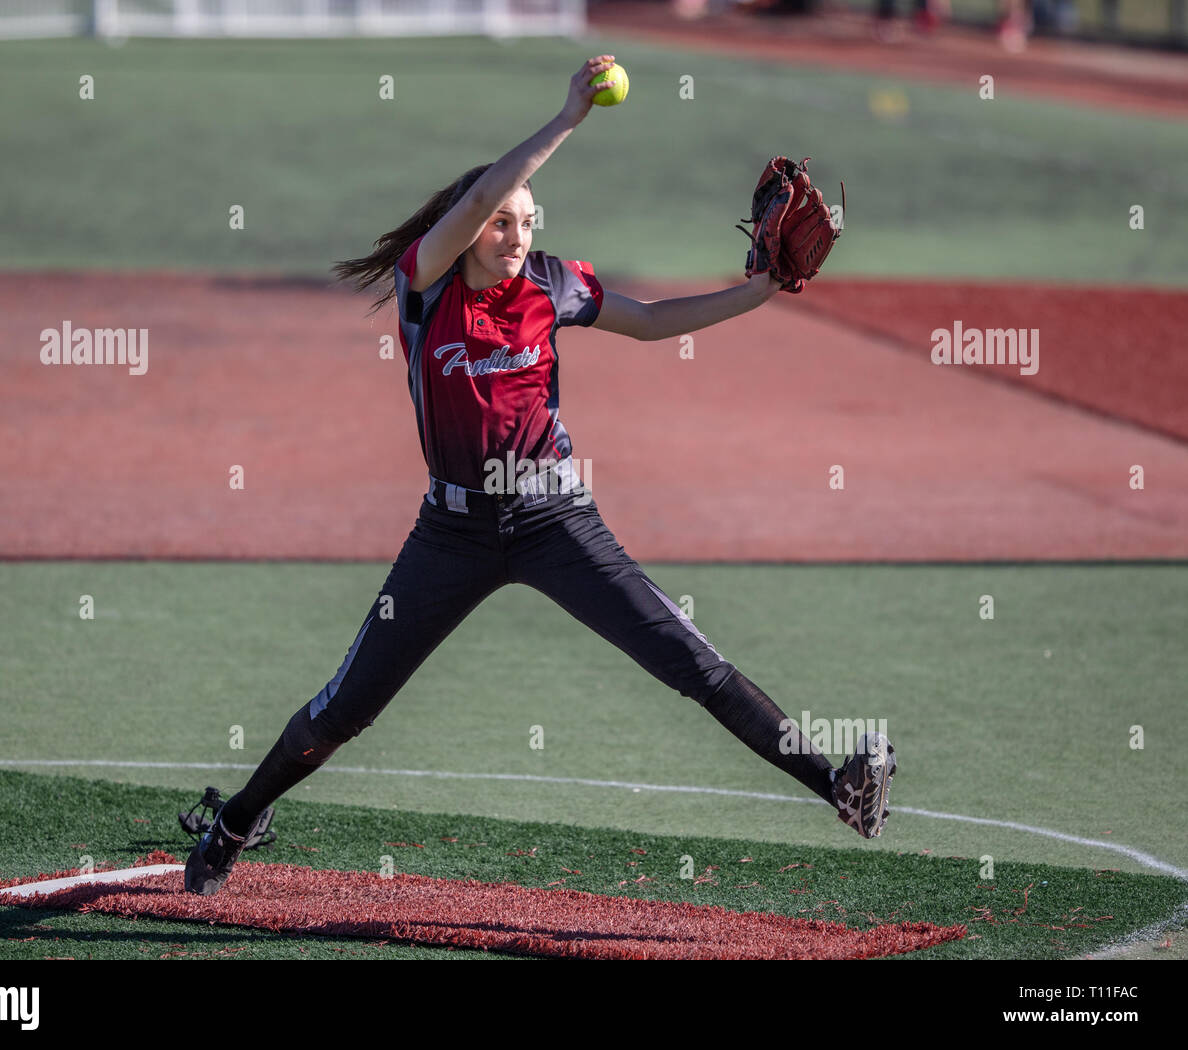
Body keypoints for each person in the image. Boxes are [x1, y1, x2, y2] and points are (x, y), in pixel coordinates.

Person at [185, 56, 897, 896]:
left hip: (558, 519)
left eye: (526, 222)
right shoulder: (426, 291)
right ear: (470, 226)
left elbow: (655, 322)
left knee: (688, 658)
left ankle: (838, 789)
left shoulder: (553, 283)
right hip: (450, 535)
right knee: (346, 709)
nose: (515, 236)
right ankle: (237, 819)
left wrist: (762, 290)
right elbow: (485, 197)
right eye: (500, 224)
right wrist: (567, 119)